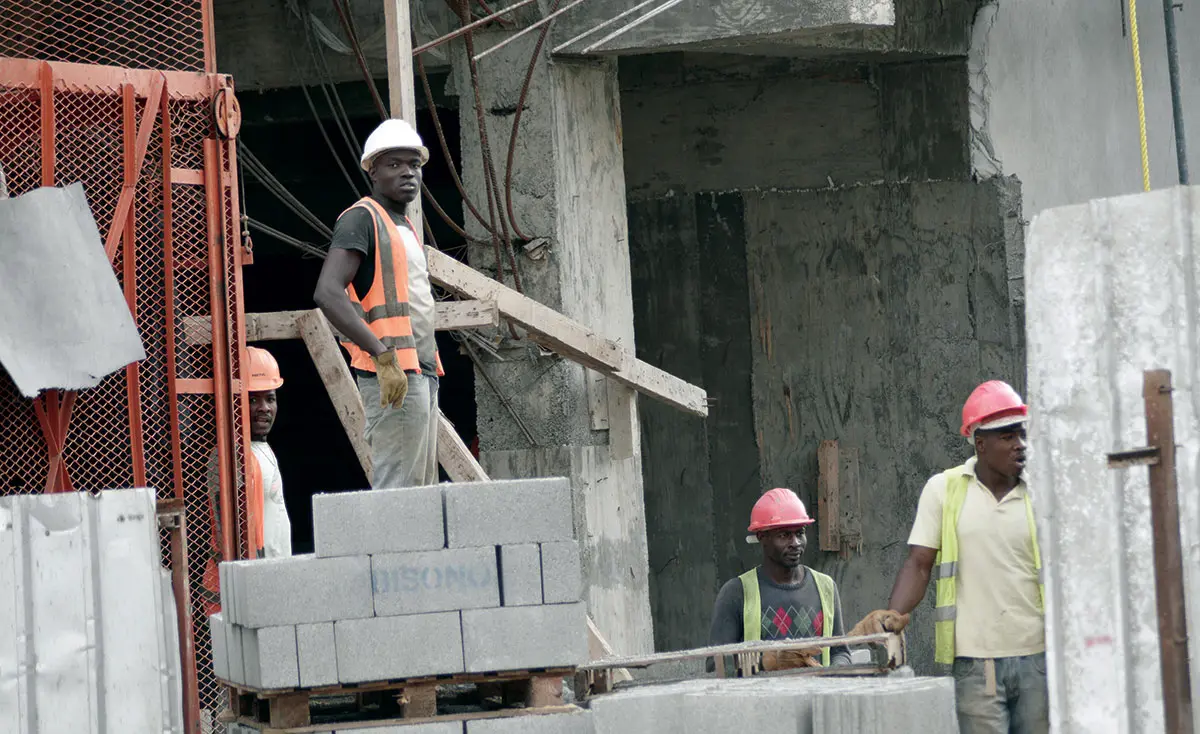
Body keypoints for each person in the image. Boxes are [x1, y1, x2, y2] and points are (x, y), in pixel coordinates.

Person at [867, 380, 1047, 734]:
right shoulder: (944, 489)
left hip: (1039, 659)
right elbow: (919, 563)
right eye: (1008, 437)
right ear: (980, 443)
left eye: (1022, 435)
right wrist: (892, 616)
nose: (1020, 445)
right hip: (975, 665)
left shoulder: (1042, 490)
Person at [314, 118, 443, 489]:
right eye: (395, 165)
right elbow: (327, 292)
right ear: (372, 171)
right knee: (398, 490)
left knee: (418, 488)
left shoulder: (403, 225)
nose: (408, 173)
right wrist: (381, 355)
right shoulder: (361, 219)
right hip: (393, 371)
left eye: (414, 165)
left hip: (420, 370)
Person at [709, 488, 851, 669]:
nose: (796, 543)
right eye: (784, 535)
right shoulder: (737, 593)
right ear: (762, 537)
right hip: (762, 697)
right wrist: (766, 662)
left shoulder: (825, 587)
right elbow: (715, 664)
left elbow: (840, 653)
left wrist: (834, 673)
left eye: (800, 533)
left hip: (816, 696)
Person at [199, 346, 292, 616]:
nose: (264, 408)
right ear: (236, 400)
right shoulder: (229, 455)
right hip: (242, 589)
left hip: (267, 581)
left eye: (270, 399)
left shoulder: (261, 449)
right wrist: (256, 582)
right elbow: (227, 533)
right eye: (253, 400)